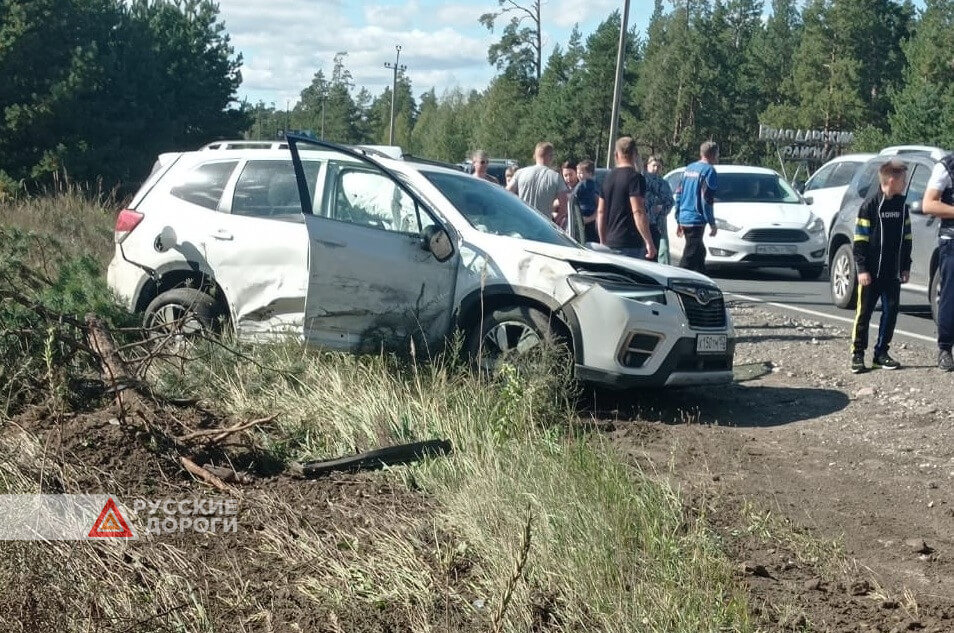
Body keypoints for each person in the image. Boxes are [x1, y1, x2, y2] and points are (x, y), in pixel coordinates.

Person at [850, 160, 912, 374]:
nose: (905, 184)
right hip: (870, 274)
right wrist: (862, 269)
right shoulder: (869, 206)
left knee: (891, 312)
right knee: (864, 313)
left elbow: (907, 239)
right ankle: (858, 354)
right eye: (903, 180)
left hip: (892, 273)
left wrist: (905, 266)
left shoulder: (903, 207)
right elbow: (859, 240)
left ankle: (881, 353)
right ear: (892, 180)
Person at [597, 137, 656, 260]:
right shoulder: (635, 178)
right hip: (631, 243)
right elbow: (638, 211)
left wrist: (602, 240)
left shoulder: (608, 178)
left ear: (616, 154)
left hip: (611, 241)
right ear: (634, 154)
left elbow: (601, 212)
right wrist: (649, 241)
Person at [922, 154, 954, 371]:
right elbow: (929, 203)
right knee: (951, 297)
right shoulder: (947, 166)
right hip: (952, 240)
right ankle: (945, 349)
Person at [674, 141, 719, 273]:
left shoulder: (689, 168)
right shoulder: (709, 171)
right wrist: (712, 222)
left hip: (684, 216)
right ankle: (678, 279)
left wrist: (678, 217)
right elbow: (707, 199)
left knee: (699, 252)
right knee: (690, 253)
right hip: (696, 218)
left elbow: (679, 194)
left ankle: (701, 279)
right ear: (713, 154)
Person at [507, 142, 568, 222]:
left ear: (534, 156)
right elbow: (564, 207)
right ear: (551, 157)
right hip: (543, 226)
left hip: (522, 222)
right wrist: (556, 223)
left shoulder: (520, 173)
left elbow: (506, 193)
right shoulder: (556, 177)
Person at [644, 155, 674, 264]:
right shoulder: (640, 180)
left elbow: (670, 202)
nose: (656, 169)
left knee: (655, 254)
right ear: (647, 166)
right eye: (654, 166)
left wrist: (661, 211)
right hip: (641, 223)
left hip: (656, 224)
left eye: (659, 166)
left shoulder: (663, 184)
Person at [575, 159, 599, 243]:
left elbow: (573, 197)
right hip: (591, 215)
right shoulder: (596, 184)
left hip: (583, 213)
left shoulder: (582, 184)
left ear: (590, 173)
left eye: (581, 173)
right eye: (577, 173)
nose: (578, 175)